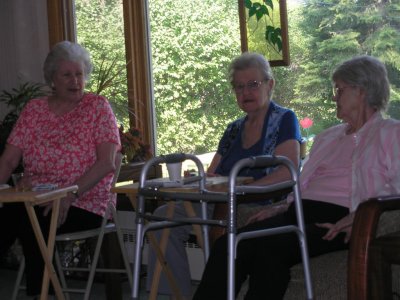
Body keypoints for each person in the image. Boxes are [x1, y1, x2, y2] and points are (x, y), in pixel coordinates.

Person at [193, 55, 400, 299]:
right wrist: (282, 206)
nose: (334, 97)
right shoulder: (328, 137)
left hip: (340, 218)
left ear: (362, 91)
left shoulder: (390, 133)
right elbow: (303, 183)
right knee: (229, 245)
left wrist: (359, 217)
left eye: (340, 89)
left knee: (267, 250)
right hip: (300, 212)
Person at [146, 52, 302, 299]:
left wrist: (242, 192)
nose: (246, 92)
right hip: (220, 203)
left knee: (213, 219)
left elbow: (288, 171)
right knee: (160, 219)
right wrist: (197, 182)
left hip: (258, 204)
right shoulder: (233, 129)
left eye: (253, 84)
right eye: (239, 87)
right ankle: (174, 295)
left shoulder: (284, 119)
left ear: (270, 84)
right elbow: (213, 173)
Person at [0, 40, 120, 297]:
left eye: (79, 74)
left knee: (30, 220)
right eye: (67, 75)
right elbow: (9, 160)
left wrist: (70, 194)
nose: (75, 80)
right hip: (36, 197)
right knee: (14, 215)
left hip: (85, 200)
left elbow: (106, 163)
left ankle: (42, 294)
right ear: (52, 78)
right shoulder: (34, 110)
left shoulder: (97, 107)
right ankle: (45, 292)